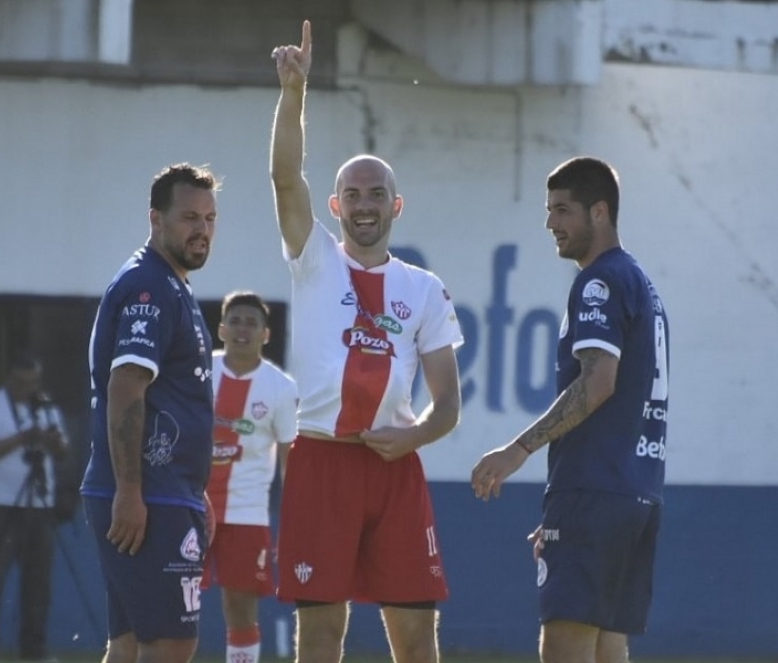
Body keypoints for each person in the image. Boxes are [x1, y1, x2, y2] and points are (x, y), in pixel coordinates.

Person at [270, 20, 464, 663]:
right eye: (352, 194)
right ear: (334, 205)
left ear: (396, 206)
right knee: (322, 635)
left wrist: (413, 436)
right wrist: (293, 94)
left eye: (376, 193)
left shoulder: (425, 289)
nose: (363, 204)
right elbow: (283, 176)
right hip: (321, 461)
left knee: (415, 635)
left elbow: (447, 404)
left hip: (393, 469)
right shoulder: (315, 261)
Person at [471, 157, 670, 663]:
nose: (550, 224)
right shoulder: (642, 282)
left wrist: (518, 450)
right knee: (608, 648)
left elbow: (598, 383)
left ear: (599, 212)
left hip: (594, 491)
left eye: (562, 210)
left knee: (565, 649)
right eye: (548, 210)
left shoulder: (600, 281)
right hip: (635, 494)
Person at [80, 163, 220, 663]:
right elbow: (126, 388)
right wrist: (132, 491)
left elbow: (171, 400)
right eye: (189, 217)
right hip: (147, 495)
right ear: (156, 220)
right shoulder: (151, 286)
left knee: (129, 645)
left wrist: (193, 489)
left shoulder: (171, 284)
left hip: (164, 491)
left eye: (209, 218)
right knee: (170, 643)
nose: (201, 229)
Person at [203, 290, 298, 663]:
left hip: (247, 513)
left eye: (252, 323)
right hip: (191, 507)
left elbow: (290, 457)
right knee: (176, 605)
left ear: (266, 334)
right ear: (222, 329)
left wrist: (295, 518)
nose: (243, 329)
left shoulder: (281, 388)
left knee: (240, 608)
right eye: (236, 321)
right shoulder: (199, 372)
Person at [0, 349, 69, 662]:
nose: (28, 388)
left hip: (39, 506)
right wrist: (22, 438)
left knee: (39, 584)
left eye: (33, 382)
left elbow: (63, 452)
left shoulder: (47, 407)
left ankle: (34, 649)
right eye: (22, 382)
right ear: (10, 380)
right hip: (2, 506)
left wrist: (50, 441)